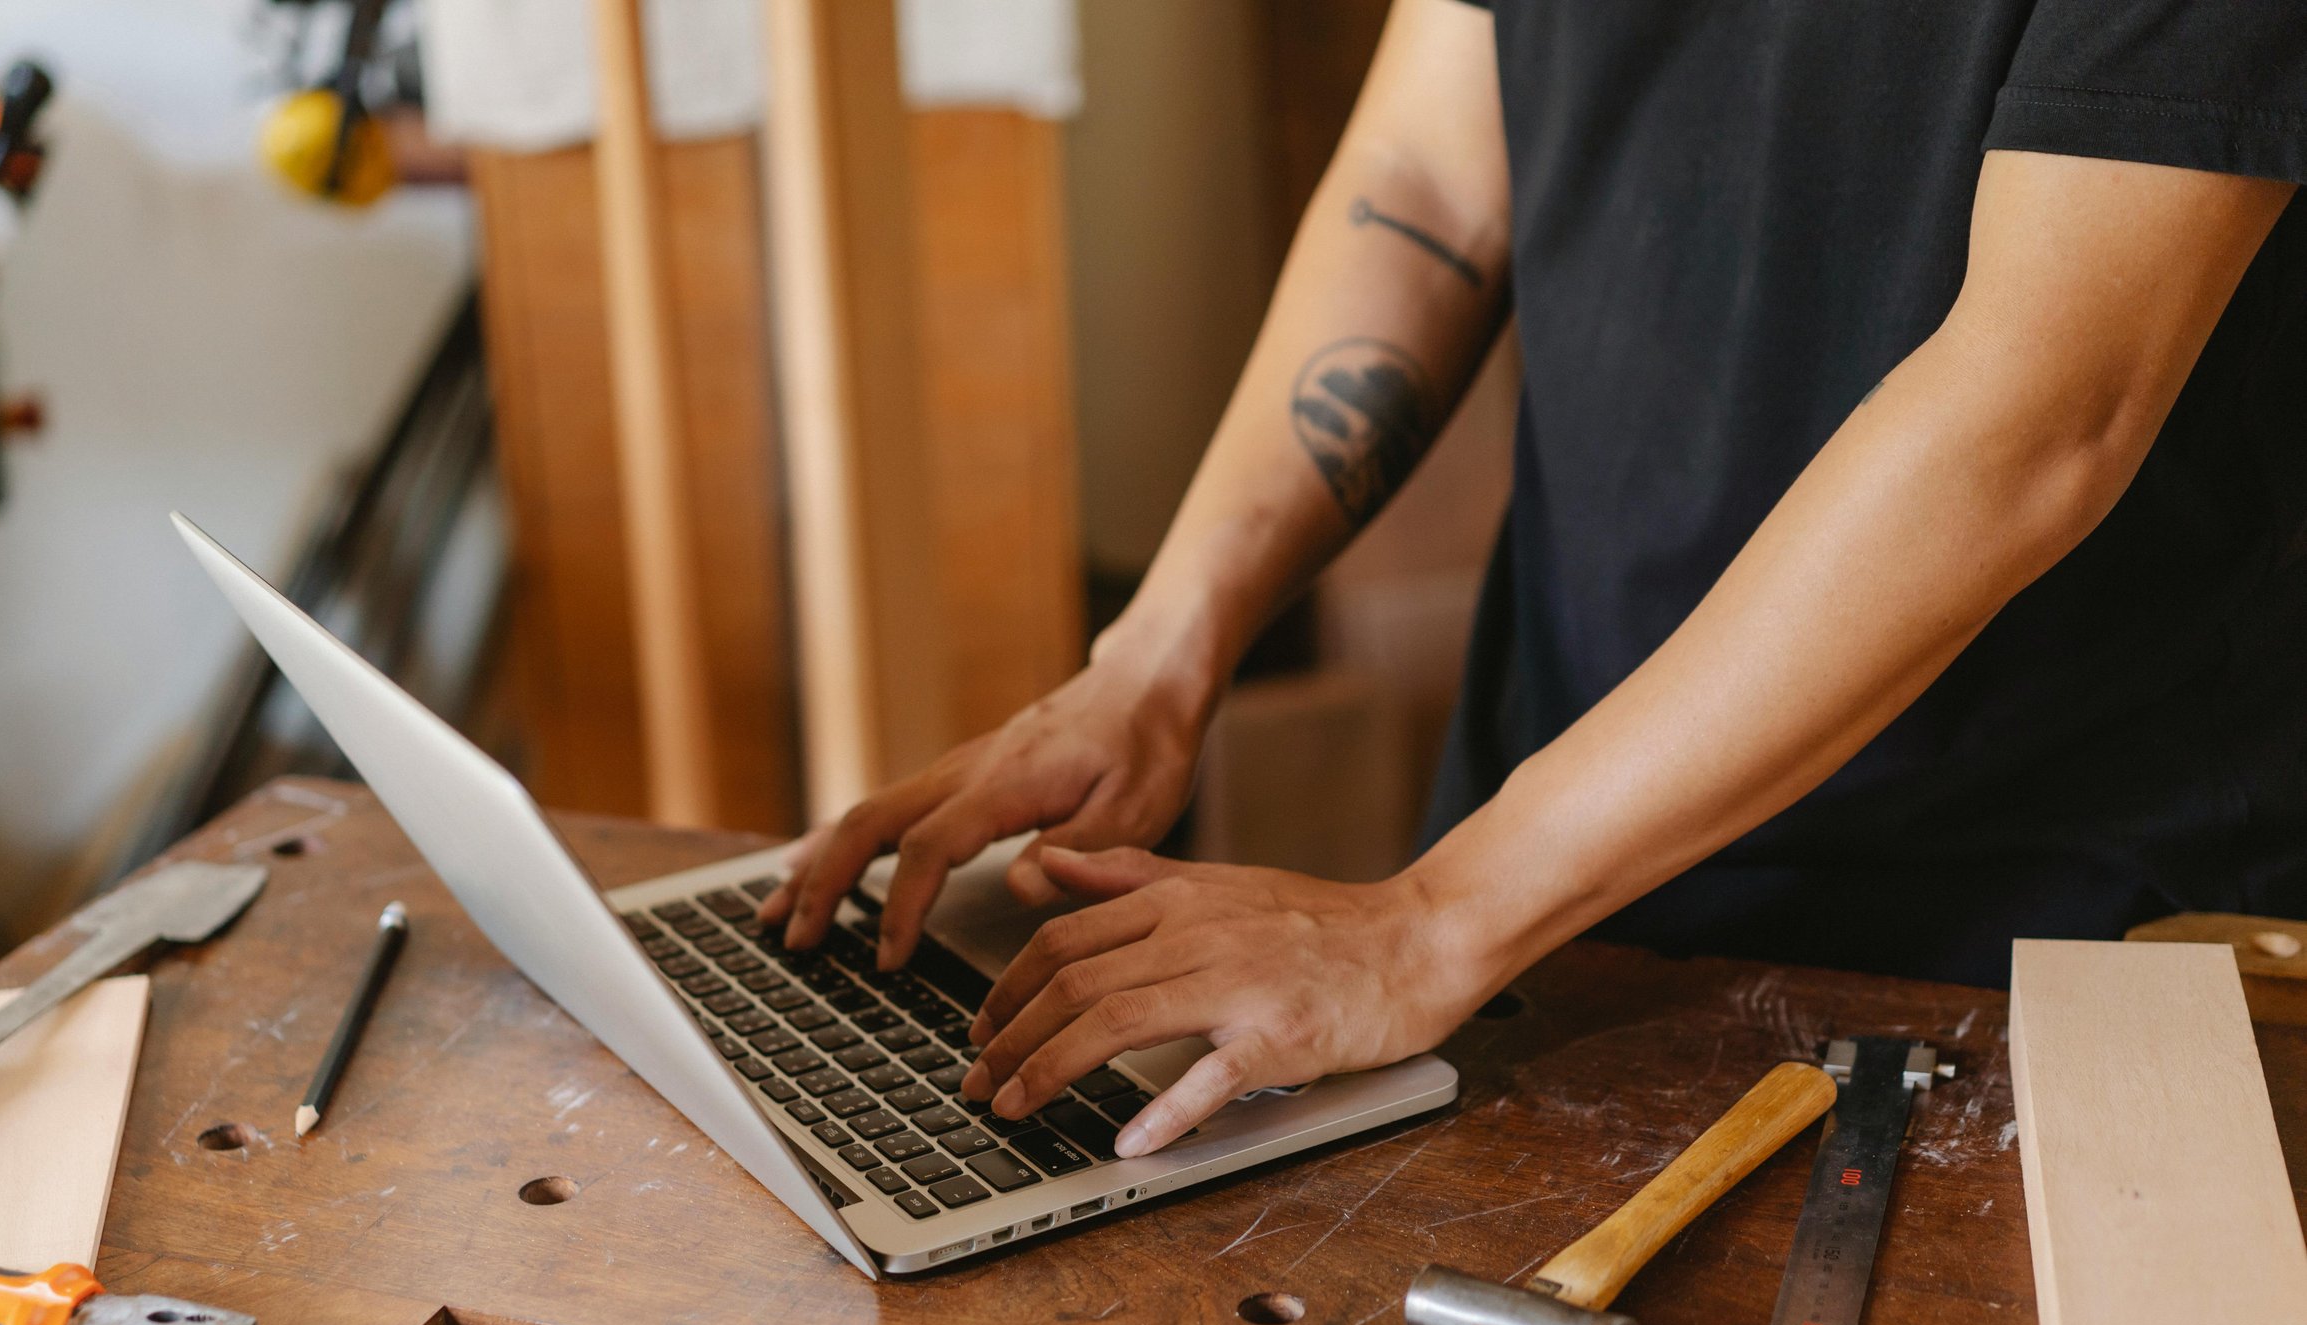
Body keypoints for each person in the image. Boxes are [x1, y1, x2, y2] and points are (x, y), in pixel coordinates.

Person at [759, 0, 2307, 1159]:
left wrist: (1429, 922)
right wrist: (1160, 653)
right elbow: (1435, 170)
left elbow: (2043, 409)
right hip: (1558, 890)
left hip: (2049, 940)